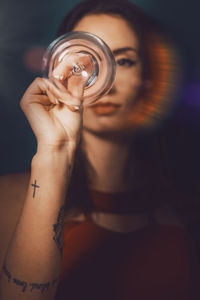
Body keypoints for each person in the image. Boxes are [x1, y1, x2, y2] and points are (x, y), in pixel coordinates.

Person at [0, 0, 199, 299]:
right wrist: (56, 151)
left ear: (146, 79)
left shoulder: (187, 211)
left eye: (124, 61)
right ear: (58, 71)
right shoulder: (8, 200)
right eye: (85, 61)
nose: (106, 82)